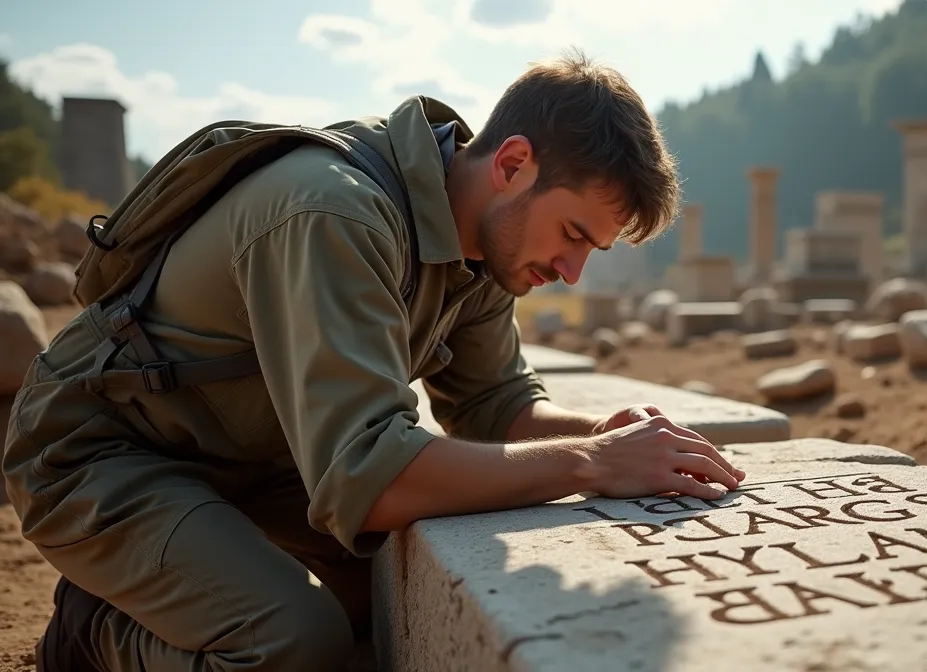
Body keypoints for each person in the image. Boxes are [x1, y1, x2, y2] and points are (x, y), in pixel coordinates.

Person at [3, 52, 745, 671]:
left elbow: (494, 407)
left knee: (398, 589)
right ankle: (94, 632)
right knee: (294, 641)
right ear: (514, 164)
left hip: (254, 459)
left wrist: (613, 433)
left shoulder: (485, 242)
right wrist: (593, 462)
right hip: (100, 456)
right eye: (574, 234)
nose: (573, 269)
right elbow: (369, 477)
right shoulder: (333, 212)